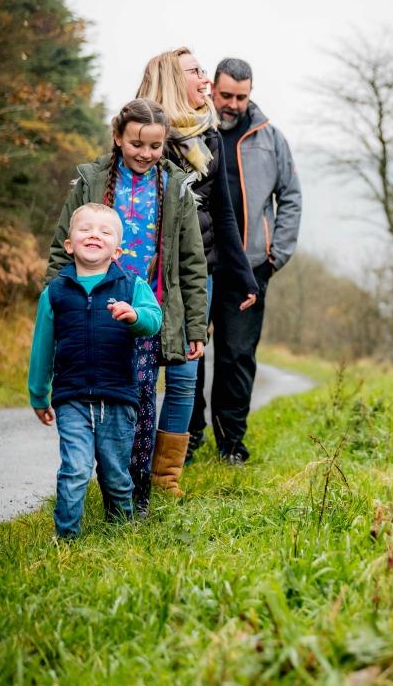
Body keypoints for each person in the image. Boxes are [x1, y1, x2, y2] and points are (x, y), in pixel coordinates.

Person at [48, 98, 209, 515]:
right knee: (91, 405)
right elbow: (59, 250)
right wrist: (54, 301)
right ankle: (88, 484)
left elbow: (192, 263)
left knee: (136, 406)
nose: (145, 153)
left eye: (155, 146)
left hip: (143, 316)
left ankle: (133, 497)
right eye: (136, 143)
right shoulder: (90, 181)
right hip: (89, 313)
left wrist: (195, 327)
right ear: (118, 137)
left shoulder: (175, 187)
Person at [135, 48, 258, 466]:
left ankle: (169, 473)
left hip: (197, 271)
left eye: (204, 70)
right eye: (196, 71)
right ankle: (132, 468)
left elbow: (223, 210)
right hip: (146, 274)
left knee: (186, 373)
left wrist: (244, 274)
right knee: (143, 372)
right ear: (172, 78)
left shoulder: (208, 136)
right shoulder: (144, 137)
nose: (205, 79)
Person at [190, 57, 301, 464]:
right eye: (226, 95)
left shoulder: (270, 138)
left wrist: (275, 257)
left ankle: (230, 444)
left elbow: (290, 196)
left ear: (249, 94)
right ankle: (189, 436)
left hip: (250, 266)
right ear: (212, 91)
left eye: (241, 96)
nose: (232, 103)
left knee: (237, 356)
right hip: (198, 264)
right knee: (190, 352)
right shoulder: (193, 133)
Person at [30, 204, 163, 538]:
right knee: (75, 469)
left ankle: (120, 534)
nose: (94, 235)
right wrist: (38, 394)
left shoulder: (131, 286)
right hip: (71, 397)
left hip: (118, 397)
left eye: (104, 231)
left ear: (116, 250)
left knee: (116, 472)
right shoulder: (55, 292)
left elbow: (154, 320)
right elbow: (43, 348)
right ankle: (66, 538)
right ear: (70, 244)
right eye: (85, 229)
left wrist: (134, 316)